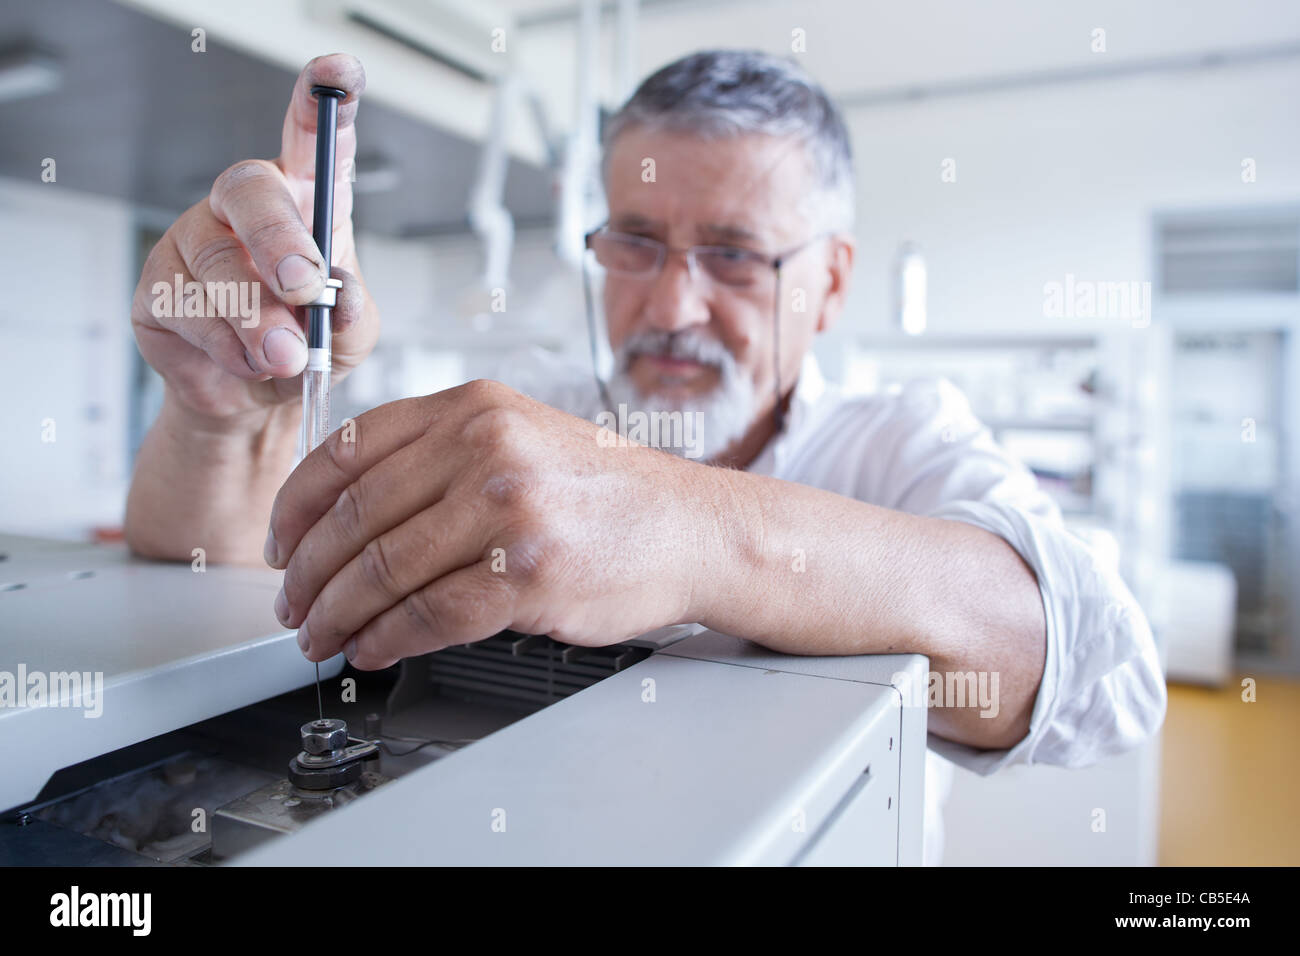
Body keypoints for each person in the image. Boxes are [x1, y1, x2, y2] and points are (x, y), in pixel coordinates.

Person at [125, 49, 1166, 864]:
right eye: (634, 241)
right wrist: (226, 413)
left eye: (733, 254)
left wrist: (688, 523)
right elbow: (226, 573)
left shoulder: (900, 440)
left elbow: (1099, 676)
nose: (671, 306)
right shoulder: (526, 422)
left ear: (833, 281)